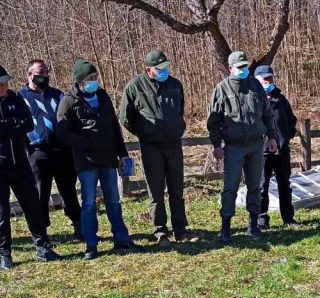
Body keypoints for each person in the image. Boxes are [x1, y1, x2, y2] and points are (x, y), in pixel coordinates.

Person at [0, 63, 59, 270]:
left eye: (7, 83)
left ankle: (43, 246)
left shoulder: (15, 97)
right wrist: (11, 124)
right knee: (0, 211)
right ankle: (4, 253)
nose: (5, 87)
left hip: (20, 162)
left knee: (33, 206)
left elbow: (28, 123)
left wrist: (6, 125)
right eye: (1, 84)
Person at [56, 60, 140, 260]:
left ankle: (121, 238)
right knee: (89, 203)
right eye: (90, 79)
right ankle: (91, 244)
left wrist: (122, 153)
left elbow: (114, 126)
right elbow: (62, 131)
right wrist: (84, 142)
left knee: (114, 200)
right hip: (86, 161)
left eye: (95, 77)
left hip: (108, 158)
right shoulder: (69, 100)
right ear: (80, 81)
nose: (94, 81)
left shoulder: (102, 96)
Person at [120, 50, 193, 245]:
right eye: (159, 69)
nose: (164, 71)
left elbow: (180, 110)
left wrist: (176, 127)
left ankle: (180, 228)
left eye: (166, 67)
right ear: (148, 69)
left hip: (174, 144)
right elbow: (126, 119)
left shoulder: (175, 85)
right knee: (156, 189)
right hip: (151, 146)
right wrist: (145, 132)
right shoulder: (135, 87)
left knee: (177, 188)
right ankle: (160, 230)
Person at [206, 51, 280, 244]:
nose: (243, 70)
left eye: (245, 67)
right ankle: (226, 227)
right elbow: (213, 121)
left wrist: (271, 137)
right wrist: (216, 145)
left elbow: (267, 114)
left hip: (256, 144)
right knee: (230, 187)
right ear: (230, 68)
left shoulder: (255, 86)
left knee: (255, 186)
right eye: (239, 67)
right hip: (233, 146)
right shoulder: (221, 89)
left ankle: (253, 225)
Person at [20, 59, 83, 240]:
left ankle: (78, 225)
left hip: (62, 151)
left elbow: (69, 118)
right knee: (40, 193)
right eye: (40, 73)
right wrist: (26, 149)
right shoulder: (20, 97)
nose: (44, 76)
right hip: (37, 151)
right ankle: (42, 232)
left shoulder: (58, 95)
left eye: (46, 72)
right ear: (30, 75)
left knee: (69, 190)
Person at [254, 65, 299, 229]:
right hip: (262, 151)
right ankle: (261, 220)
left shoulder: (280, 99)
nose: (268, 81)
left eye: (270, 78)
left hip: (281, 150)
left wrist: (286, 137)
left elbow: (291, 120)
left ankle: (288, 218)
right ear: (257, 79)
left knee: (285, 185)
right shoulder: (254, 99)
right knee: (261, 186)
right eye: (265, 78)